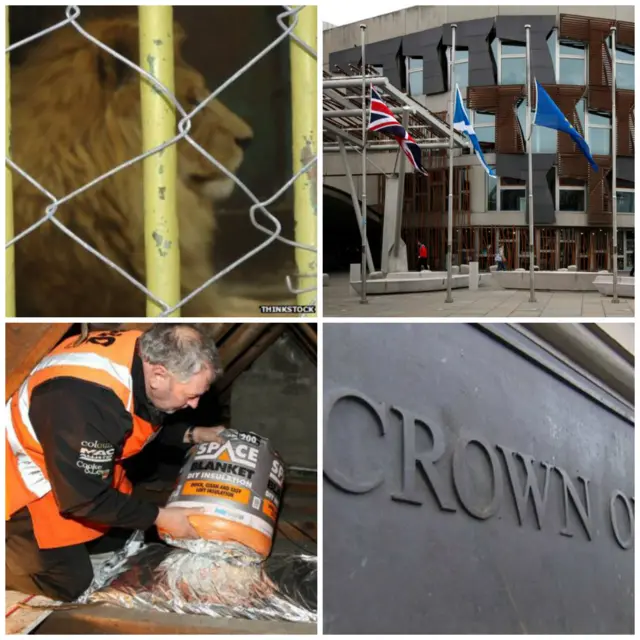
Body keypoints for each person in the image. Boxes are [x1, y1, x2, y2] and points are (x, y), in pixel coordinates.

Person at [6, 324, 228, 602]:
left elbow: (142, 413)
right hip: (23, 485)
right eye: (191, 395)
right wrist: (163, 517)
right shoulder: (84, 402)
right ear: (159, 375)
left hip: (68, 466)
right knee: (70, 583)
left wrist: (190, 434)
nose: (195, 405)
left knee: (124, 542)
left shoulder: (144, 351)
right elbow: (84, 499)